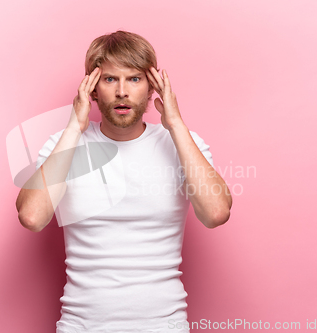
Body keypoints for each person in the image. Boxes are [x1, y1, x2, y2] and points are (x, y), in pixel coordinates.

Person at [15, 30, 232, 333]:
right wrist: (74, 128)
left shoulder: (183, 143)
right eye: (109, 79)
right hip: (81, 327)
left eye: (134, 79)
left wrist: (176, 124)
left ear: (152, 86)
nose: (121, 92)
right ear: (92, 89)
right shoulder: (64, 145)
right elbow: (32, 217)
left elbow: (216, 213)